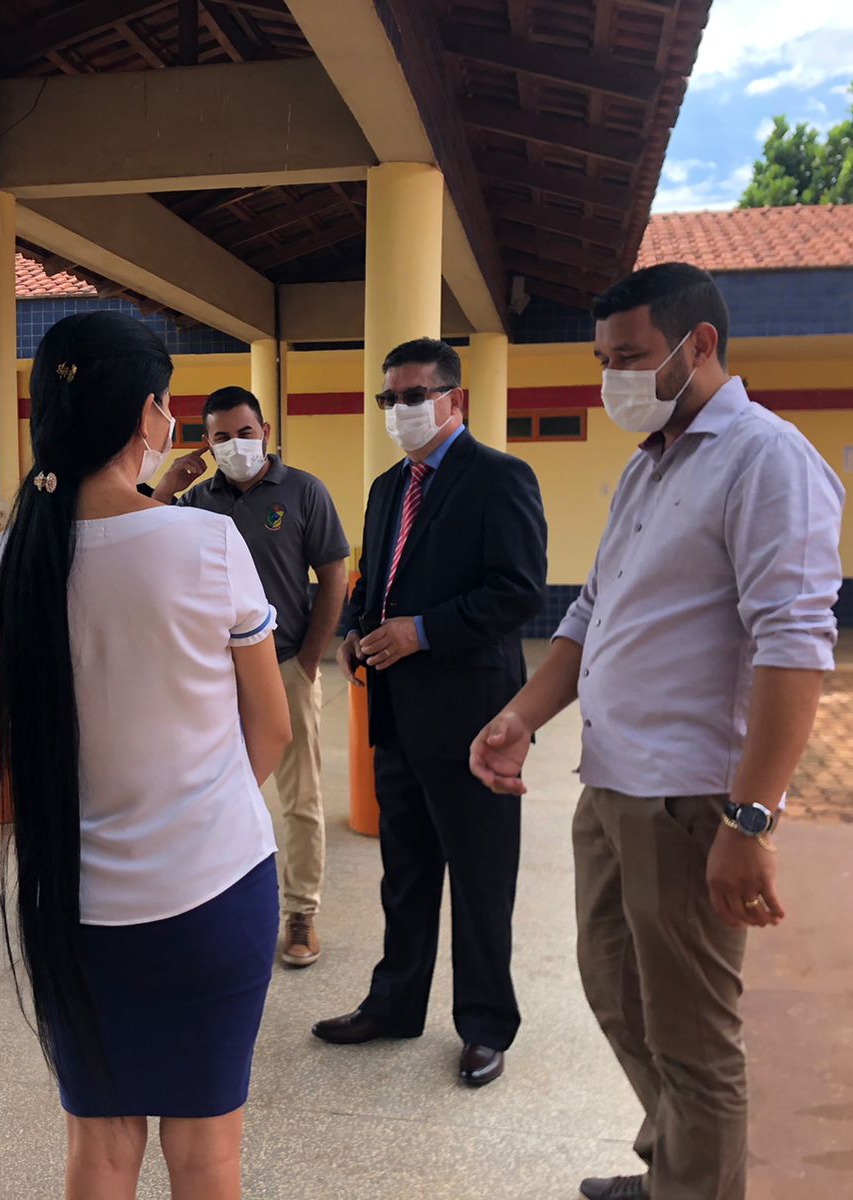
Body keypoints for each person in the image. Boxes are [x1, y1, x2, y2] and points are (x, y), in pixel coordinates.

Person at [469, 263, 844, 1200]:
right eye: (604, 361)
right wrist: (521, 716)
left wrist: (750, 821)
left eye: (630, 356)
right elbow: (592, 612)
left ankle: (694, 1183)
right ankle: (677, 1169)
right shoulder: (651, 464)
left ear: (699, 345)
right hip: (614, 788)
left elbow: (793, 649)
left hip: (690, 804)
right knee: (618, 995)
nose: (613, 381)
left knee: (694, 1036)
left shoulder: (769, 459)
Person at [0, 312, 291, 1199]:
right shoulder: (206, 542)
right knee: (206, 1154)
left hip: (72, 903)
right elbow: (271, 727)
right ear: (151, 417)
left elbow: (10, 743)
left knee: (101, 1149)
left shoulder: (9, 563)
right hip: (215, 891)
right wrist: (195, 807)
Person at [313, 337, 547, 1089]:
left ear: (454, 399)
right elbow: (374, 584)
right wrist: (355, 629)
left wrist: (422, 630)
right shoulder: (387, 488)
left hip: (474, 717)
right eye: (389, 399)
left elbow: (517, 592)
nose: (399, 410)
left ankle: (485, 1026)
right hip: (396, 716)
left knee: (480, 878)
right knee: (405, 873)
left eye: (414, 396)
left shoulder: (500, 479)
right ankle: (394, 1005)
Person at [152, 386, 350, 968]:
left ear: (265, 430)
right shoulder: (194, 501)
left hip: (285, 662)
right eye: (221, 437)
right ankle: (211, 907)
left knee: (300, 798)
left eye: (245, 432)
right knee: (212, 796)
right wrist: (167, 484)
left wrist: (309, 661)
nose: (236, 445)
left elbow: (334, 576)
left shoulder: (303, 490)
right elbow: (144, 536)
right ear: (206, 443)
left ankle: (301, 914)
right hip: (213, 674)